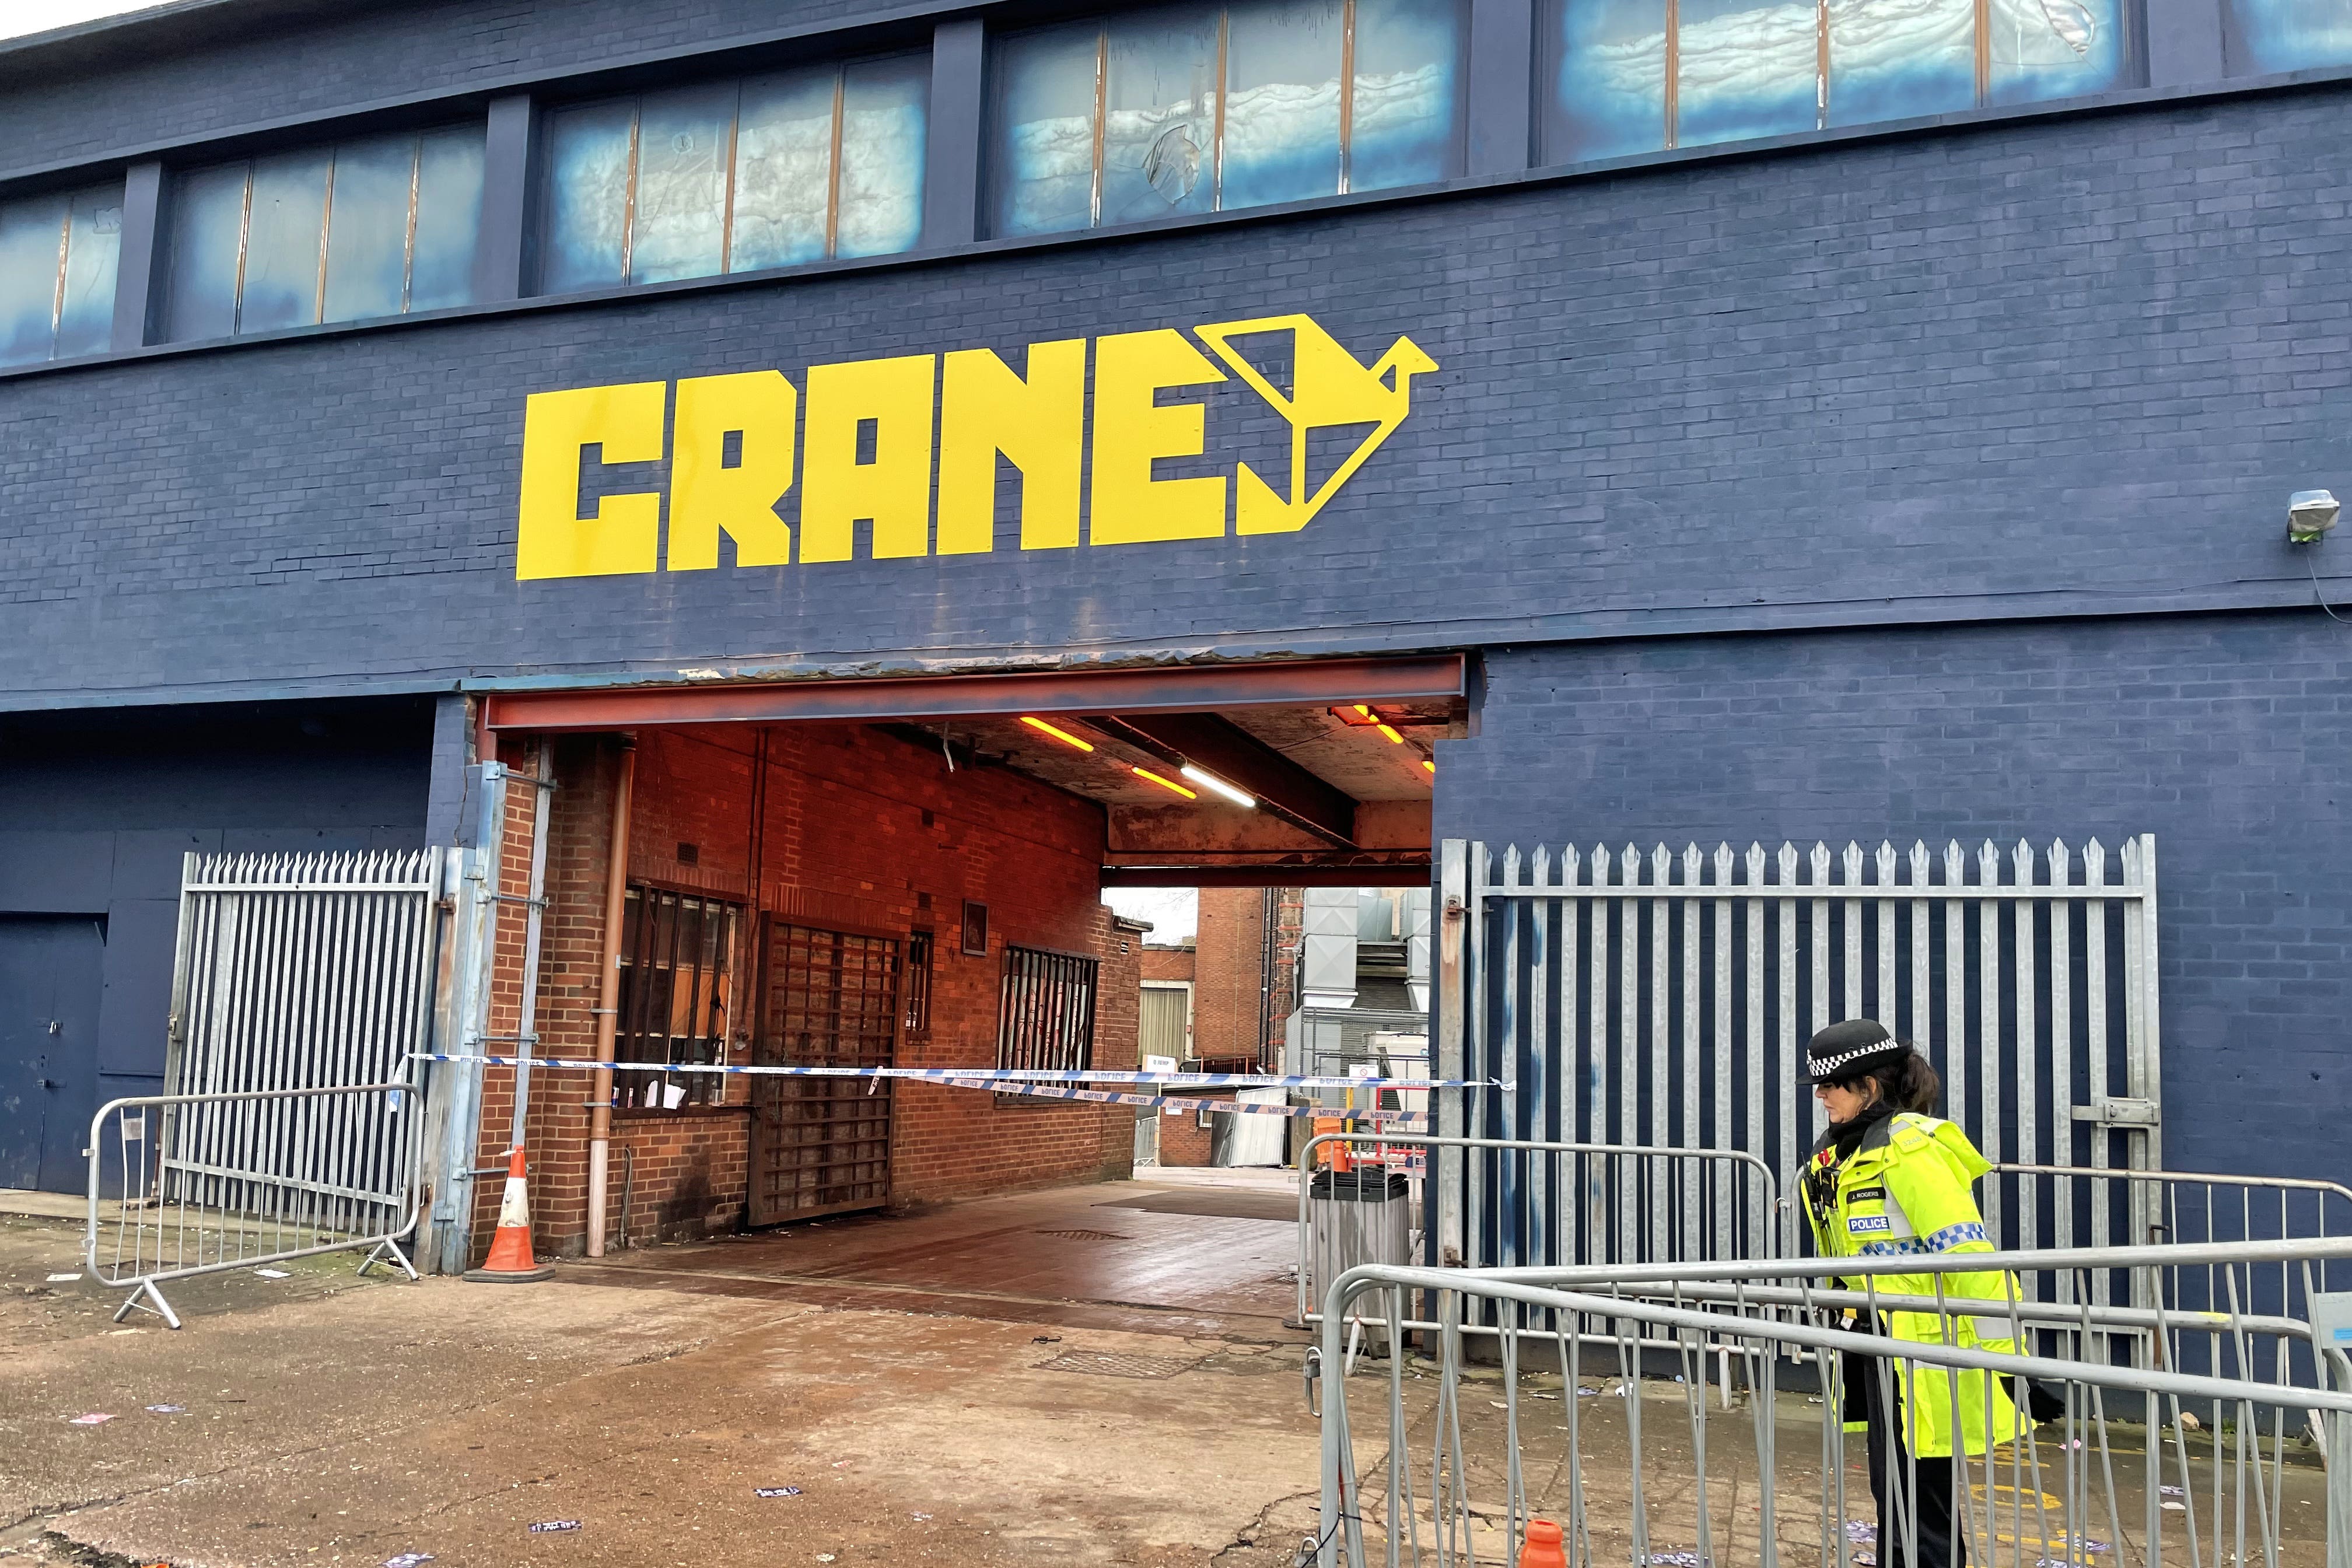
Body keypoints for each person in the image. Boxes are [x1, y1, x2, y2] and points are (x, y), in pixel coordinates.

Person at [1800, 1019, 2031, 1568]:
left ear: (1869, 1088)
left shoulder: (1909, 1150)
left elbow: (1968, 1253)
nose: (1820, 1095)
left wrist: (2011, 1362)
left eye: (1831, 1085)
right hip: (1877, 1337)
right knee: (1894, 1485)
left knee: (1919, 1493)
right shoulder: (1844, 1154)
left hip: (1920, 1345)